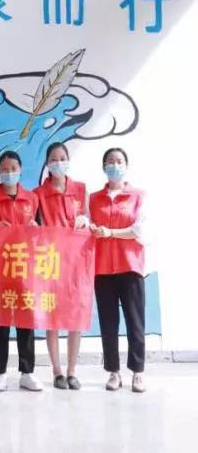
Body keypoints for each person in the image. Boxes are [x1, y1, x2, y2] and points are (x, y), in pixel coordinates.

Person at [0, 150, 44, 392]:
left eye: (13, 168)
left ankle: (27, 372)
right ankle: (0, 373)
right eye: (4, 169)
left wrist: (36, 230)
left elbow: (42, 236)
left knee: (26, 321)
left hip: (25, 269)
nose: (9, 173)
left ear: (20, 170)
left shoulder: (33, 199)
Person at [89, 148, 147, 393]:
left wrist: (110, 232)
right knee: (108, 323)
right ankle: (113, 372)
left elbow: (138, 230)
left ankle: (138, 372)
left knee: (135, 322)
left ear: (126, 165)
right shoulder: (94, 198)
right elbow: (87, 225)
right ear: (104, 167)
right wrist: (89, 227)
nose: (115, 165)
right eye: (110, 161)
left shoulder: (137, 196)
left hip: (130, 267)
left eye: (119, 161)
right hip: (103, 269)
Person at [34, 142, 89, 390]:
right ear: (47, 164)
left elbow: (88, 220)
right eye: (53, 159)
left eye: (62, 158)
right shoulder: (38, 194)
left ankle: (72, 370)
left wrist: (84, 220)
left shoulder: (80, 189)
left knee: (76, 316)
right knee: (53, 318)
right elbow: (35, 227)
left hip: (76, 262)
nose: (58, 163)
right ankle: (57, 372)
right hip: (51, 262)